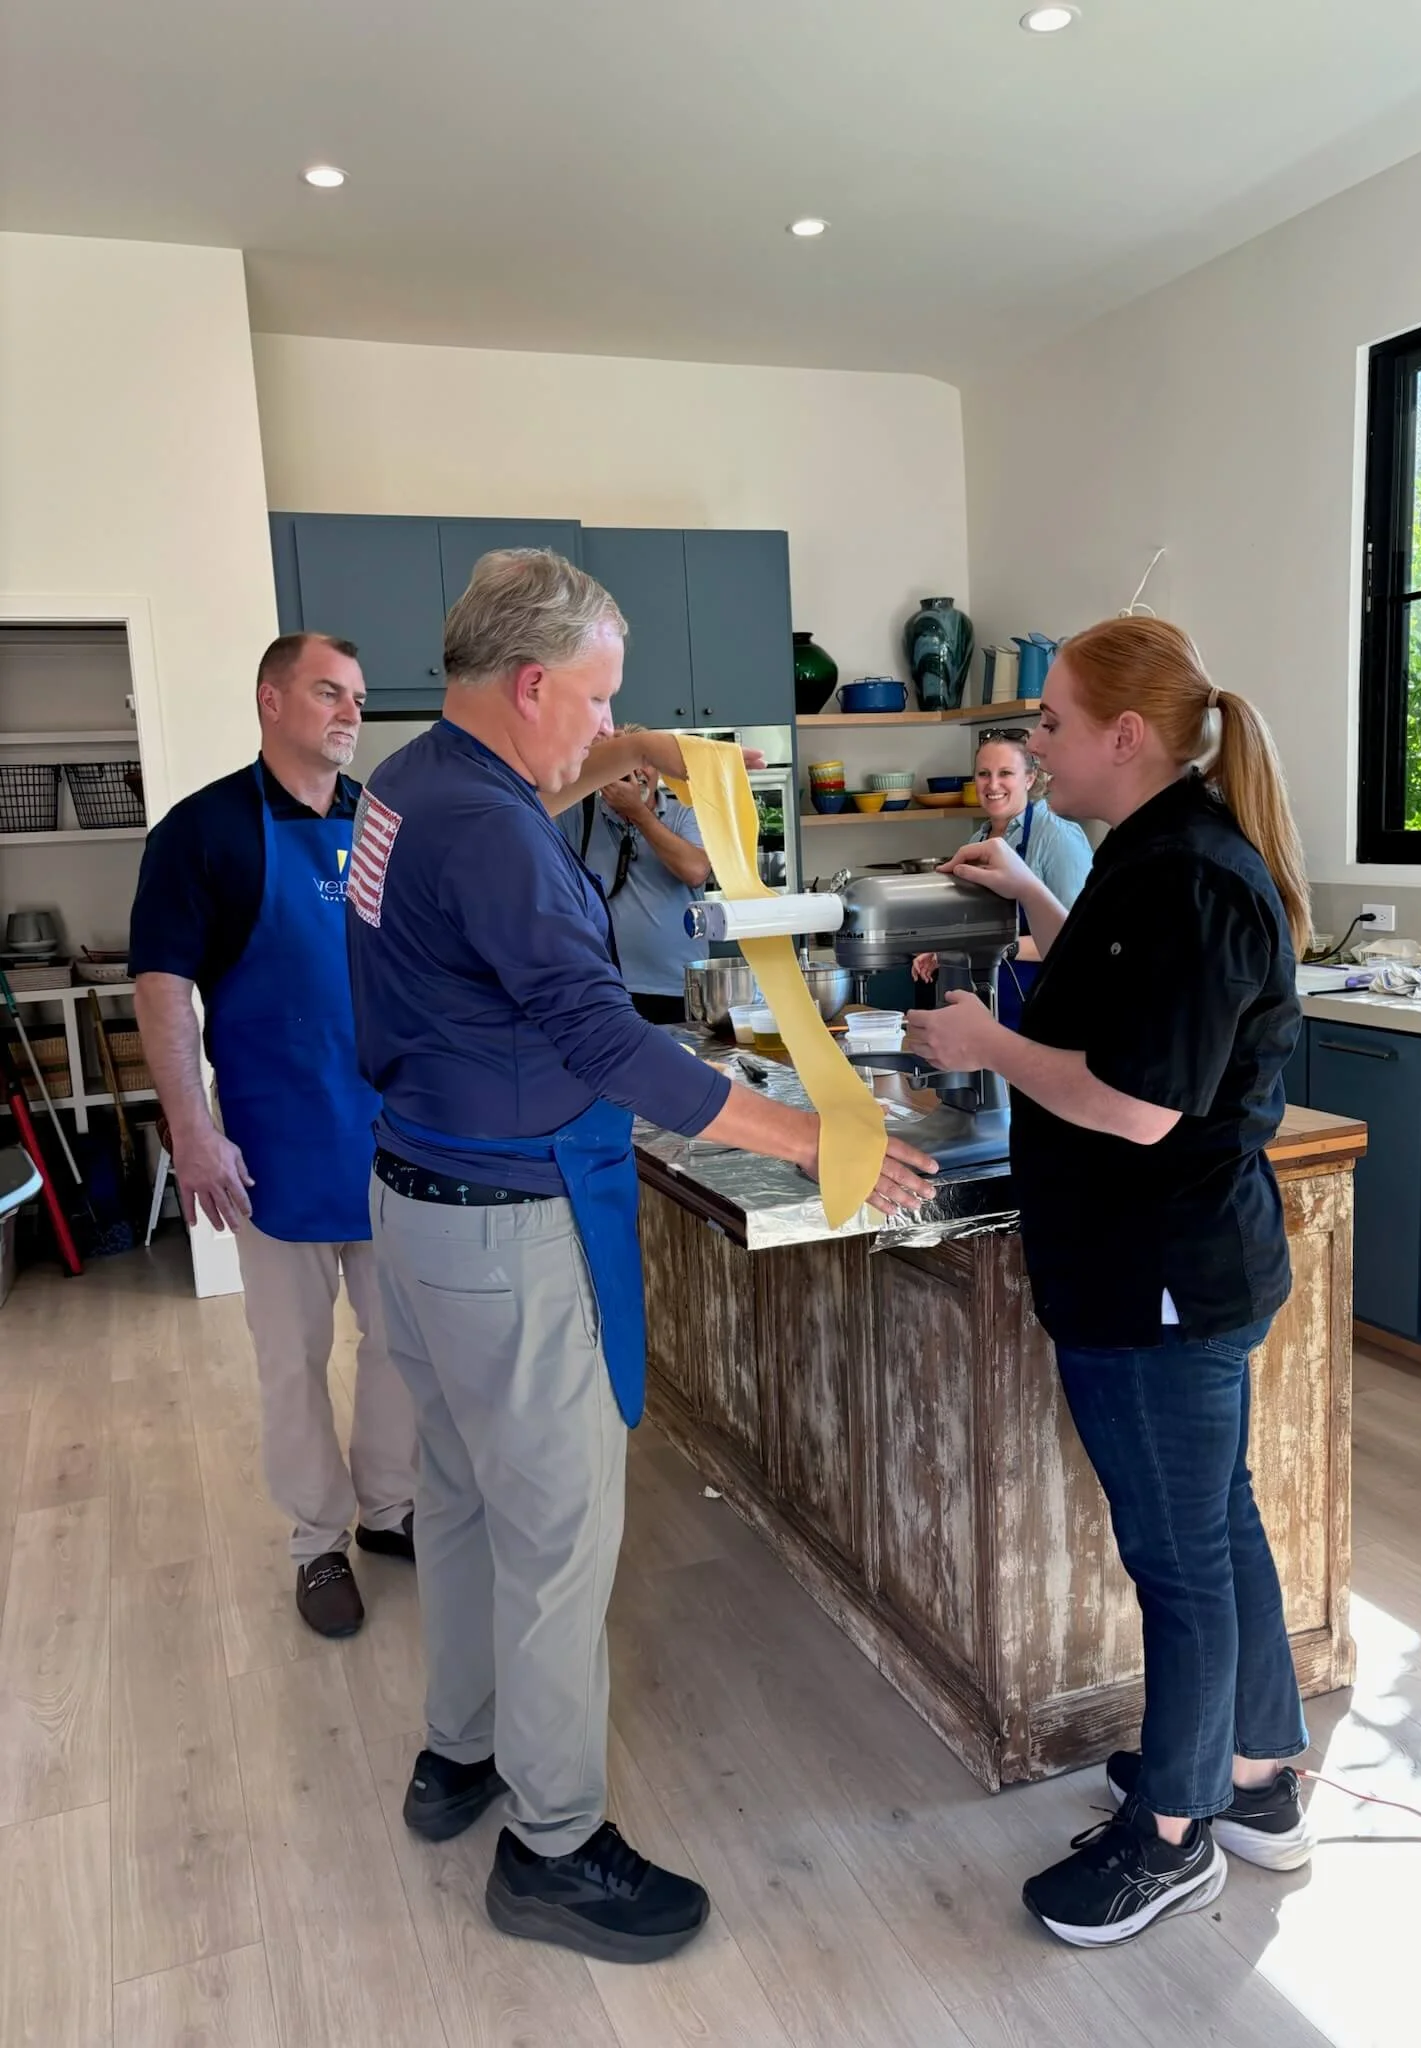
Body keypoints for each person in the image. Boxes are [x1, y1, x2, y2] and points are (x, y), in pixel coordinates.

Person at [346, 548, 935, 1965]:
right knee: (557, 1542)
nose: (608, 730)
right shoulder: (492, 834)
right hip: (504, 1226)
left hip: (411, 1207)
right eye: (598, 699)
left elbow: (527, 792)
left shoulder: (414, 784)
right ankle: (552, 1851)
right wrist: (810, 1135)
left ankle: (459, 1755)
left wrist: (644, 748)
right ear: (533, 683)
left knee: (466, 1500)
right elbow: (608, 1045)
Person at [905, 616, 1311, 1949]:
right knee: (1217, 1522)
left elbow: (1138, 1105)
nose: (1032, 745)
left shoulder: (1189, 876)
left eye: (1053, 727)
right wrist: (1034, 904)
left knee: (1180, 1558)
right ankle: (1252, 1775)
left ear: (1126, 738)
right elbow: (1143, 1000)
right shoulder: (1157, 860)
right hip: (1175, 1267)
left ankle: (1177, 1835)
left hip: (1160, 1279)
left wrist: (984, 1041)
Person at [131, 633, 417, 1640]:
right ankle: (317, 1541)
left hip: (390, 1139)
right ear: (271, 699)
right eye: (329, 692)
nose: (350, 713)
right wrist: (190, 1129)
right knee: (291, 1359)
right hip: (274, 1147)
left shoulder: (379, 823)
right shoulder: (202, 832)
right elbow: (162, 986)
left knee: (399, 1346)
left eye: (360, 697)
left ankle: (389, 1508)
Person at [913, 729, 1092, 1027]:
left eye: (1005, 773)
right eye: (984, 773)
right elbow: (978, 927)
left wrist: (1002, 948)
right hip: (988, 1002)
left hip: (1043, 1008)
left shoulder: (1058, 838)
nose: (992, 784)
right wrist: (943, 951)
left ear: (1030, 778)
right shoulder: (978, 839)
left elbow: (1080, 940)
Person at [559, 733, 710, 1023]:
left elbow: (696, 871)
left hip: (680, 986)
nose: (637, 772)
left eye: (645, 763)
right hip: (607, 988)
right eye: (622, 764)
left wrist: (638, 813)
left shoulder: (684, 814)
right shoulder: (579, 816)